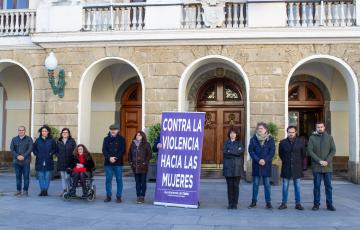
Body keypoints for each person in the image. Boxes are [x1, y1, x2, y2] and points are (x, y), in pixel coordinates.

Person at [307, 121, 336, 211]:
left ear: (324, 128)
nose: (320, 128)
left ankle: (329, 204)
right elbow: (310, 151)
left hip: (327, 167)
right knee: (316, 186)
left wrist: (326, 161)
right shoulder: (312, 138)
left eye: (321, 127)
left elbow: (333, 150)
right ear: (316, 128)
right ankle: (316, 204)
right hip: (317, 166)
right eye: (318, 127)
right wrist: (319, 161)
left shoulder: (329, 138)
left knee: (328, 186)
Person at [248, 122, 275, 209]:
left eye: (261, 128)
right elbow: (251, 151)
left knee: (267, 184)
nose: (260, 130)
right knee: (255, 184)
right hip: (256, 164)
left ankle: (268, 202)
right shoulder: (253, 139)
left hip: (266, 165)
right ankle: (254, 202)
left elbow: (272, 152)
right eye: (258, 128)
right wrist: (258, 160)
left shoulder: (270, 139)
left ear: (265, 130)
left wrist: (265, 160)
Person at [278, 126, 306, 210]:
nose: (291, 134)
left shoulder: (301, 142)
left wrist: (297, 162)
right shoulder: (282, 142)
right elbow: (281, 154)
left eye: (292, 132)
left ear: (295, 132)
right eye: (289, 132)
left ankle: (298, 203)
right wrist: (287, 161)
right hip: (286, 167)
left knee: (297, 186)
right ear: (287, 132)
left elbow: (303, 154)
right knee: (285, 186)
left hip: (297, 167)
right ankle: (284, 203)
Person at [102, 124, 126, 203]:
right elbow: (104, 150)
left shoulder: (121, 139)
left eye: (115, 129)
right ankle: (108, 196)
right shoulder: (106, 139)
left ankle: (119, 196)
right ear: (110, 130)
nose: (113, 131)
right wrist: (109, 158)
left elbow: (122, 150)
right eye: (111, 129)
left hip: (118, 163)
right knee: (108, 180)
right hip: (108, 163)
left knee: (119, 180)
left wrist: (115, 158)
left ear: (118, 130)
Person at [223, 127, 245, 209]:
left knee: (236, 186)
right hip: (228, 167)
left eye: (234, 133)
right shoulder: (226, 143)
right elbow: (225, 152)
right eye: (231, 133)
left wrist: (230, 151)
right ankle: (230, 203)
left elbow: (241, 152)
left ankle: (235, 203)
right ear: (229, 134)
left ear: (236, 134)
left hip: (237, 167)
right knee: (229, 186)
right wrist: (235, 152)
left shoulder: (239, 143)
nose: (232, 135)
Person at [128, 131, 152, 204]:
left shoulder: (146, 144)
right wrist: (131, 162)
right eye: (137, 135)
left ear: (142, 136)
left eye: (140, 135)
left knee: (143, 182)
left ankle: (142, 196)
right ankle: (138, 196)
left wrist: (145, 162)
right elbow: (129, 154)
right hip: (135, 167)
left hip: (143, 167)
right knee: (137, 182)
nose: (138, 136)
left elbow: (149, 155)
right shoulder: (133, 144)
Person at [33, 125, 56, 196]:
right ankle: (42, 190)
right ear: (41, 132)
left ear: (48, 132)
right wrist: (37, 154)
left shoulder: (52, 140)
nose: (44, 132)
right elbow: (34, 149)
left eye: (45, 131)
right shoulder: (37, 140)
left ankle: (45, 190)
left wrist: (51, 153)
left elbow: (55, 149)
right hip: (40, 161)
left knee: (47, 177)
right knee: (40, 176)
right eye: (43, 131)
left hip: (48, 160)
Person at [10, 126, 33, 197]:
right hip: (16, 161)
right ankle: (18, 190)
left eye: (22, 130)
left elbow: (30, 149)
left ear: (25, 131)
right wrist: (17, 156)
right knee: (18, 176)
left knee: (26, 176)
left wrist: (23, 156)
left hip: (26, 161)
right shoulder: (14, 139)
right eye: (19, 130)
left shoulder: (29, 139)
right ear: (18, 131)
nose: (21, 131)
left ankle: (25, 191)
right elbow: (12, 149)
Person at [56, 128, 76, 196]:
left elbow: (75, 151)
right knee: (63, 176)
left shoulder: (72, 141)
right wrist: (58, 155)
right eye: (63, 132)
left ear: (69, 134)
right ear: (61, 133)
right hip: (61, 161)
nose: (65, 133)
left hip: (69, 161)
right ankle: (64, 190)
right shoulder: (58, 141)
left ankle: (70, 189)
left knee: (68, 176)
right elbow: (56, 150)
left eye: (66, 132)